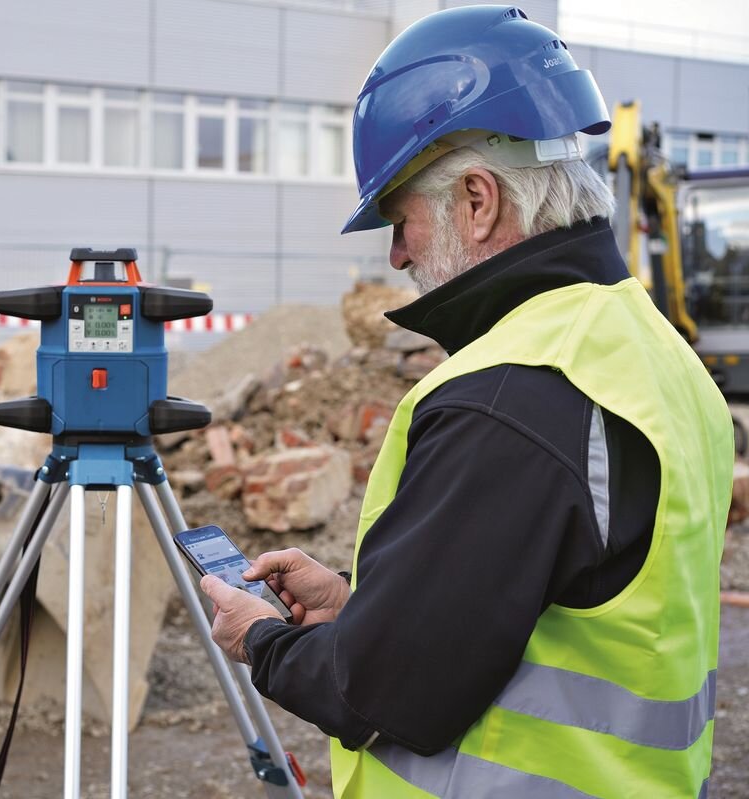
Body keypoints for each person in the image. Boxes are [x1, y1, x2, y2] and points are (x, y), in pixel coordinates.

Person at [198, 6, 734, 798]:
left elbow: (385, 691)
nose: (398, 252)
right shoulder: (650, 352)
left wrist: (263, 639)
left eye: (400, 216)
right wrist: (358, 605)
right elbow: (559, 611)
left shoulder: (511, 395)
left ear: (478, 201)